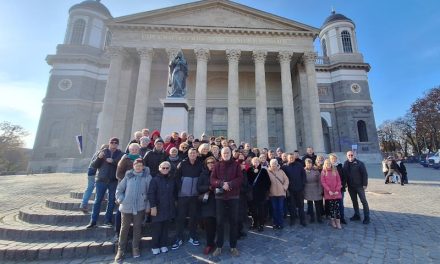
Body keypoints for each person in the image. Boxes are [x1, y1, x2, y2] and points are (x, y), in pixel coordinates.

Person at [114, 159, 152, 262]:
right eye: (136, 165)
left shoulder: (147, 177)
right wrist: (121, 199)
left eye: (140, 165)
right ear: (133, 166)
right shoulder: (128, 176)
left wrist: (148, 205)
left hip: (140, 206)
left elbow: (150, 193)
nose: (138, 167)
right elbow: (119, 189)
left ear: (143, 167)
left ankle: (135, 248)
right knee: (124, 228)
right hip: (126, 206)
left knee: (137, 228)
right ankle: (120, 250)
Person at [210, 147, 243, 257]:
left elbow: (240, 178)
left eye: (228, 152)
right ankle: (219, 246)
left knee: (233, 222)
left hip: (233, 197)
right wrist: (221, 183)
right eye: (224, 153)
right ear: (221, 154)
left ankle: (233, 247)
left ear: (231, 153)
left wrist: (230, 184)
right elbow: (212, 179)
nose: (226, 154)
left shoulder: (236, 165)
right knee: (219, 222)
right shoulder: (217, 165)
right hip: (220, 198)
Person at [86, 137, 123, 229]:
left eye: (116, 143)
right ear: (109, 143)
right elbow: (94, 165)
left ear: (118, 144)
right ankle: (93, 221)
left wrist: (113, 162)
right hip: (101, 180)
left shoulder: (121, 154)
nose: (113, 144)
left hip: (113, 181)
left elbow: (121, 166)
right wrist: (99, 158)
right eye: (112, 142)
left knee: (111, 202)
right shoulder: (102, 152)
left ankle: (108, 221)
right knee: (97, 201)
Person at [172, 148, 203, 250]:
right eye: (191, 153)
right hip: (183, 195)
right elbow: (176, 177)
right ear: (188, 154)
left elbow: (202, 177)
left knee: (193, 217)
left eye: (194, 153)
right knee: (180, 217)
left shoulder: (200, 164)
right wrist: (182, 188)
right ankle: (179, 237)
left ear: (197, 154)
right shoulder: (182, 164)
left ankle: (192, 236)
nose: (193, 154)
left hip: (194, 195)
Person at [148, 161, 178, 255]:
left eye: (167, 168)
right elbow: (151, 193)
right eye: (163, 168)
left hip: (169, 207)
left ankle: (163, 244)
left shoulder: (171, 179)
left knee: (165, 228)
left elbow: (174, 192)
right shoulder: (155, 180)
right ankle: (155, 246)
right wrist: (153, 206)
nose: (165, 169)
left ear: (169, 169)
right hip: (158, 207)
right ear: (159, 168)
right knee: (157, 228)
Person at [114, 143, 142, 243]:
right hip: (126, 187)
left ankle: (131, 233)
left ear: (139, 150)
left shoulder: (140, 158)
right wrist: (127, 182)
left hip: (138, 187)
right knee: (121, 210)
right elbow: (118, 174)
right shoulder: (125, 159)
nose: (134, 150)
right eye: (132, 149)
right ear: (129, 149)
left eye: (136, 149)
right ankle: (118, 233)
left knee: (135, 211)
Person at [343, 151, 370, 224]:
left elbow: (365, 174)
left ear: (354, 155)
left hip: (359, 186)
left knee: (363, 201)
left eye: (352, 155)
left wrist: (365, 184)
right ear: (347, 156)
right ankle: (357, 215)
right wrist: (344, 183)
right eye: (349, 155)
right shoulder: (345, 163)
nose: (350, 156)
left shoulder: (360, 163)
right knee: (354, 201)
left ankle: (367, 217)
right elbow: (344, 175)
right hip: (351, 186)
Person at [197, 157, 217, 255]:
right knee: (209, 224)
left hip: (218, 201)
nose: (211, 164)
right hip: (207, 202)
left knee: (218, 223)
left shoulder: (219, 173)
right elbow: (198, 187)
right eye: (209, 162)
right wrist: (208, 187)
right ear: (206, 164)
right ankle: (209, 244)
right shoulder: (203, 174)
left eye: (213, 162)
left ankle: (218, 243)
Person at [79, 144, 108, 213]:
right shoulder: (102, 154)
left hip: (90, 171)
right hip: (95, 172)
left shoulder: (97, 152)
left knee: (90, 188)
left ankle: (83, 204)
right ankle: (84, 204)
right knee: (95, 186)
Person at [282, 152, 307, 226]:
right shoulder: (284, 167)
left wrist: (302, 185)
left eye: (292, 157)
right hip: (290, 190)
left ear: (294, 158)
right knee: (292, 206)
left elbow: (303, 175)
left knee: (301, 205)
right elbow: (283, 178)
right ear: (287, 158)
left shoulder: (299, 165)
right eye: (290, 158)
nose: (291, 159)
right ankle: (292, 219)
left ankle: (302, 220)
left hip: (299, 189)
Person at [247, 157, 271, 232]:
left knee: (261, 210)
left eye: (257, 161)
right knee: (253, 210)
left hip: (261, 194)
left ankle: (261, 224)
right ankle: (254, 224)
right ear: (252, 162)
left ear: (259, 162)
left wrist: (263, 190)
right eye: (254, 162)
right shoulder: (249, 171)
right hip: (252, 194)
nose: (256, 163)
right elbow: (247, 181)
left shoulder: (263, 170)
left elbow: (268, 182)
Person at [267, 159, 289, 229]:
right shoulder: (268, 172)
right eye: (272, 164)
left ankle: (280, 223)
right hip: (272, 194)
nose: (274, 166)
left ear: (277, 164)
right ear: (270, 165)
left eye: (275, 164)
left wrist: (284, 187)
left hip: (281, 193)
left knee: (280, 209)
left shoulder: (281, 171)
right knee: (274, 209)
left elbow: (286, 180)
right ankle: (275, 223)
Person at [321, 159, 343, 229]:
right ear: (325, 164)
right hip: (329, 193)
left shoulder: (335, 171)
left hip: (336, 192)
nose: (328, 165)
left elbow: (339, 181)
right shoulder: (323, 172)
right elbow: (323, 182)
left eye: (329, 163)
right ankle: (333, 221)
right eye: (327, 164)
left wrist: (337, 190)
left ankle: (338, 222)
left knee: (337, 208)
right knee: (331, 208)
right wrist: (329, 190)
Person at [329, 153, 347, 224]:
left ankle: (341, 218)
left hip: (339, 188)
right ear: (330, 159)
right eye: (332, 158)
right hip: (330, 190)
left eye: (334, 158)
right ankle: (333, 219)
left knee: (340, 203)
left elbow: (344, 177)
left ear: (336, 159)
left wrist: (342, 185)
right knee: (332, 204)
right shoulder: (328, 167)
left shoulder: (340, 166)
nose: (333, 160)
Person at [303, 158, 323, 223]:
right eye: (307, 163)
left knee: (317, 205)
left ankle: (319, 218)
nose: (309, 164)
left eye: (310, 163)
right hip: (307, 188)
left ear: (312, 164)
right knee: (310, 205)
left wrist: (320, 189)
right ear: (305, 164)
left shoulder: (316, 170)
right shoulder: (303, 171)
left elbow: (320, 181)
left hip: (316, 188)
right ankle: (312, 218)